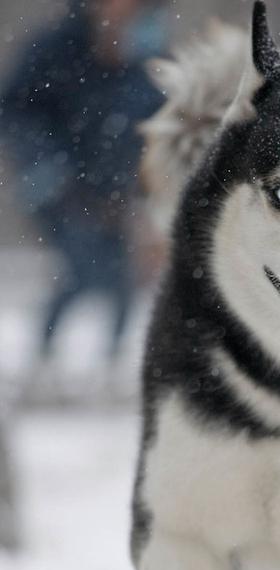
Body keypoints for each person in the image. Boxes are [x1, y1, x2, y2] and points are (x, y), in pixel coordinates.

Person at [1, 0, 168, 386]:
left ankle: (111, 361)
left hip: (121, 190)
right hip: (57, 188)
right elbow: (14, 109)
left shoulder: (149, 53)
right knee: (84, 269)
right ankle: (43, 357)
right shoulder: (54, 47)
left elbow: (162, 120)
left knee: (125, 275)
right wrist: (48, 163)